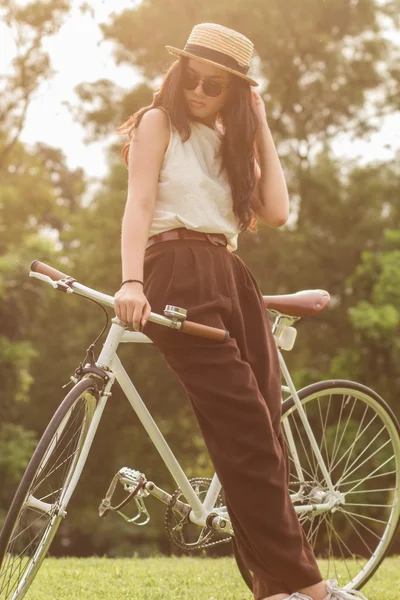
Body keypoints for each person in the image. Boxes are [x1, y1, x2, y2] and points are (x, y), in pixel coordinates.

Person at [114, 22, 368, 600]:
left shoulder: (230, 141)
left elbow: (276, 211)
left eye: (216, 85)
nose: (200, 92)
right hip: (176, 268)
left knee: (263, 435)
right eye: (193, 78)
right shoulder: (158, 124)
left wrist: (260, 126)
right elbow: (140, 204)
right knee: (249, 433)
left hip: (231, 274)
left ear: (235, 92)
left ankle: (272, 588)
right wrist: (131, 280)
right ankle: (309, 588)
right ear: (177, 75)